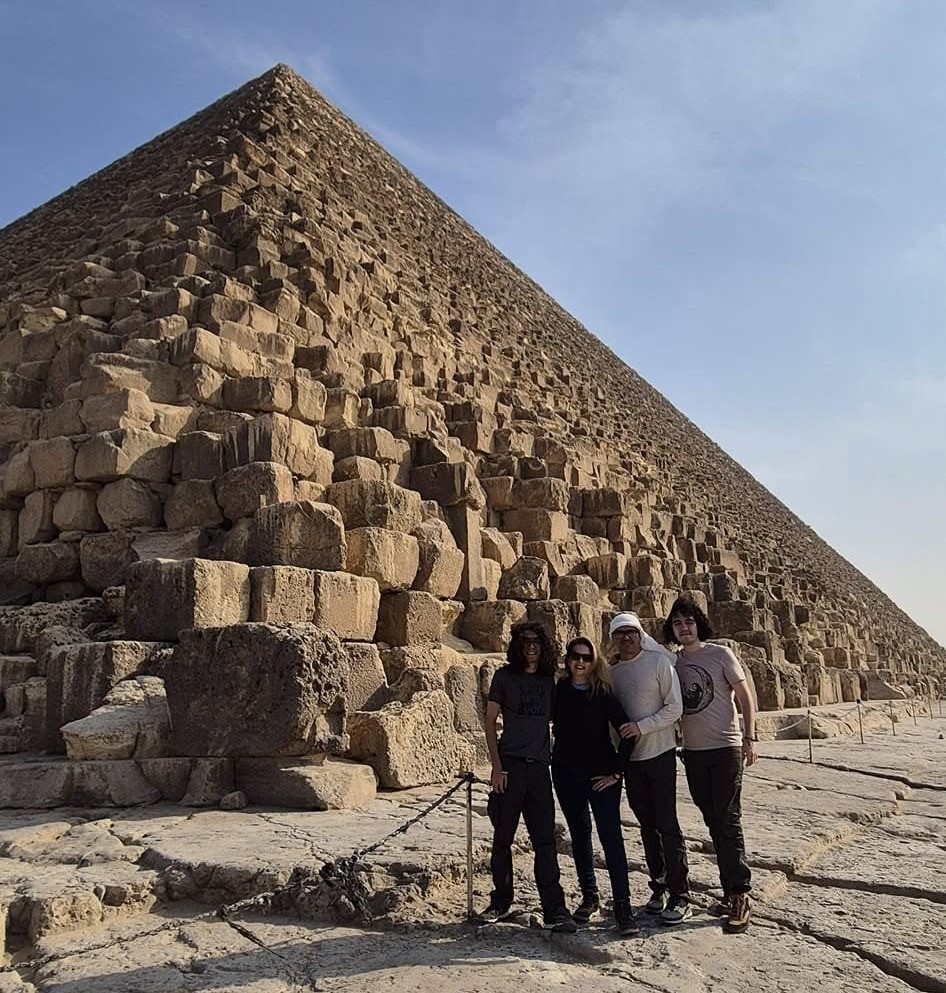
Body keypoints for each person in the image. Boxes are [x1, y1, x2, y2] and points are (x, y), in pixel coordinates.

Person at [663, 595, 757, 934]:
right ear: (671, 629)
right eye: (677, 623)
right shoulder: (672, 663)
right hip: (694, 752)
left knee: (727, 818)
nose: (684, 628)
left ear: (698, 624)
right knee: (713, 819)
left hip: (726, 747)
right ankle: (730, 886)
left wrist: (750, 738)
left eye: (688, 622)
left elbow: (745, 696)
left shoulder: (721, 654)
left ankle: (739, 893)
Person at [478, 622, 577, 933]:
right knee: (502, 839)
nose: (531, 646)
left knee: (545, 841)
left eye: (536, 641)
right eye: (525, 641)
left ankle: (554, 908)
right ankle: (501, 900)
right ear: (517, 645)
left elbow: (564, 723)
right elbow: (490, 722)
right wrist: (496, 767)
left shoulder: (550, 681)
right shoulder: (504, 677)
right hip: (510, 766)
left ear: (544, 645)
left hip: (538, 770)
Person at [608, 611, 691, 924]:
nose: (627, 638)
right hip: (631, 760)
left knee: (668, 824)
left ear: (640, 633)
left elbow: (675, 708)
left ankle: (681, 894)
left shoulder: (658, 663)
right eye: (620, 634)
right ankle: (658, 887)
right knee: (646, 827)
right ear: (613, 638)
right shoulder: (613, 672)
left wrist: (642, 727)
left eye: (631, 632)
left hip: (660, 753)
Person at [551, 637, 638, 936]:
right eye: (575, 657)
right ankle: (590, 896)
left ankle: (623, 905)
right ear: (568, 659)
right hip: (566, 776)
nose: (580, 663)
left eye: (586, 658)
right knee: (580, 836)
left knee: (611, 839)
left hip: (601, 777)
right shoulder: (559, 691)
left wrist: (617, 771)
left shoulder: (603, 693)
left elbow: (629, 733)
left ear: (594, 662)